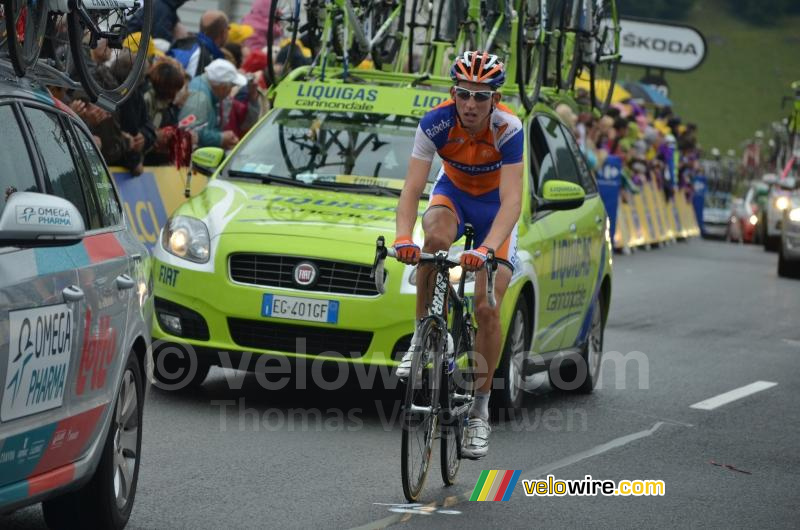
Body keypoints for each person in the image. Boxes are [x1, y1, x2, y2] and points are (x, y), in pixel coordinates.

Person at [392, 50, 523, 460]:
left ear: (495, 100)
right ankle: (421, 335)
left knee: (487, 305)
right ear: (453, 93)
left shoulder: (509, 129)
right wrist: (401, 237)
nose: (470, 104)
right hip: (454, 196)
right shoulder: (436, 122)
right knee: (432, 242)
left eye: (480, 97)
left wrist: (486, 249)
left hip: (495, 214)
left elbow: (513, 201)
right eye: (463, 94)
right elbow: (413, 189)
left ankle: (480, 413)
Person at [179, 59, 245, 149]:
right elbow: (190, 131)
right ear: (222, 87)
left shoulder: (207, 92)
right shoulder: (200, 97)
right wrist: (220, 138)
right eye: (231, 86)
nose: (230, 91)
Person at [169, 10, 230, 78]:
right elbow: (194, 87)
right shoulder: (201, 55)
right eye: (228, 28)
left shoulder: (189, 44)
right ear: (224, 32)